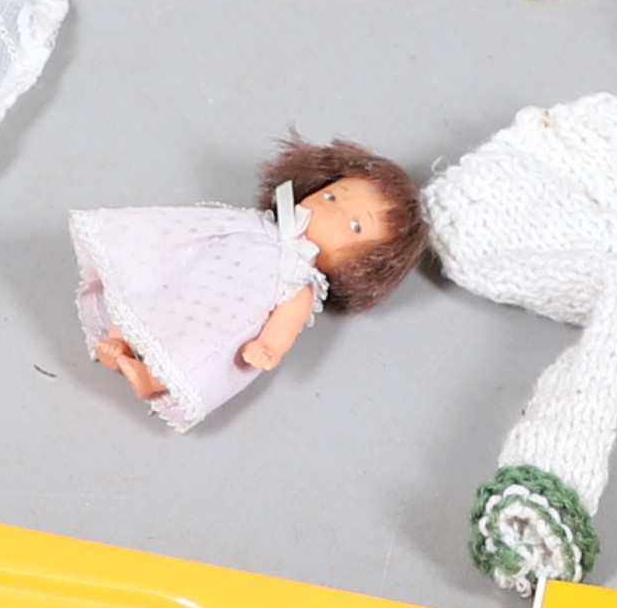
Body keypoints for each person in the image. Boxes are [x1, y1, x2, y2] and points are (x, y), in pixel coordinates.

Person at [80, 140, 423, 432]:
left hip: (221, 314)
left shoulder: (298, 279)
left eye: (354, 226)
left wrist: (269, 346)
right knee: (154, 295)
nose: (332, 212)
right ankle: (117, 339)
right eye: (332, 196)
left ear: (363, 266)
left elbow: (287, 321)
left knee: (197, 346)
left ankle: (151, 378)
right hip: (193, 277)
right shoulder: (256, 225)